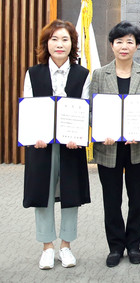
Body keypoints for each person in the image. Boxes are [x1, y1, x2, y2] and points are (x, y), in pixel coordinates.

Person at [22, 20, 90, 270]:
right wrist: (35, 135)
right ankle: (47, 247)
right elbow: (29, 109)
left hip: (71, 144)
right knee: (43, 193)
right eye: (54, 39)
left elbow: (84, 109)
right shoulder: (33, 73)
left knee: (71, 192)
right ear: (46, 44)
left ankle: (66, 246)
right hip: (41, 145)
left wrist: (78, 135)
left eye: (65, 39)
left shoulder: (82, 74)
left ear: (72, 44)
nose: (59, 44)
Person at [91, 21, 140, 267]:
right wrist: (102, 131)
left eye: (130, 41)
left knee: (137, 199)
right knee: (112, 199)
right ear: (112, 45)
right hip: (108, 147)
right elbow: (92, 111)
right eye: (119, 41)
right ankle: (116, 247)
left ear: (136, 46)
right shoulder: (99, 74)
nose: (124, 46)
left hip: (138, 147)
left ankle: (134, 245)